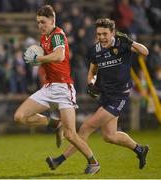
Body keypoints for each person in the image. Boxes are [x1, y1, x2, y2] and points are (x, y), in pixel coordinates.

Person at [46, 18, 149, 172]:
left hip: (119, 96)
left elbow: (145, 52)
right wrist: (91, 84)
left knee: (86, 127)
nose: (101, 37)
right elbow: (92, 72)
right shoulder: (95, 50)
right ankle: (140, 150)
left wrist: (131, 42)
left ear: (113, 33)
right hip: (106, 96)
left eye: (105, 34)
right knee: (109, 136)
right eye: (99, 34)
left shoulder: (122, 43)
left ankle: (61, 160)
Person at [14, 5, 99, 174]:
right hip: (49, 87)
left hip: (63, 89)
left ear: (53, 21)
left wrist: (38, 58)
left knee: (70, 134)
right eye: (38, 22)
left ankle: (93, 162)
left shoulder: (58, 35)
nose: (40, 26)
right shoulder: (43, 37)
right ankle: (55, 123)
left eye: (43, 22)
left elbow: (59, 55)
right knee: (19, 116)